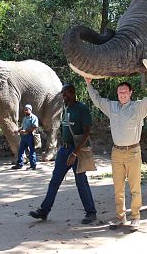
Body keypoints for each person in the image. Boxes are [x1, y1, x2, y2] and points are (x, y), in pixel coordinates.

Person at [84, 61, 147, 232]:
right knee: (118, 188)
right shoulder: (112, 106)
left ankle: (135, 217)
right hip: (116, 153)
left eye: (125, 92)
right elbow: (97, 100)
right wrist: (88, 83)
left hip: (133, 152)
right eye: (120, 92)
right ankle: (120, 217)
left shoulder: (138, 107)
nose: (122, 94)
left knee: (135, 188)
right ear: (117, 93)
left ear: (130, 93)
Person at [29, 83, 97, 224]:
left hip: (76, 151)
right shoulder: (65, 109)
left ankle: (91, 213)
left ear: (73, 92)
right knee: (54, 181)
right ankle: (44, 211)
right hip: (64, 150)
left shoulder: (82, 109)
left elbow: (87, 132)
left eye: (65, 93)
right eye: (62, 93)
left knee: (81, 182)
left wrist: (75, 153)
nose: (63, 95)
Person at [12, 104, 39, 170]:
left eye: (27, 110)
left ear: (30, 110)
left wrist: (26, 131)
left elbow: (35, 126)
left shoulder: (34, 117)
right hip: (24, 137)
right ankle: (19, 164)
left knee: (31, 151)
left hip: (31, 136)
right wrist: (18, 131)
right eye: (25, 110)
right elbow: (22, 127)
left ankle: (33, 165)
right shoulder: (25, 118)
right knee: (20, 151)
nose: (25, 111)